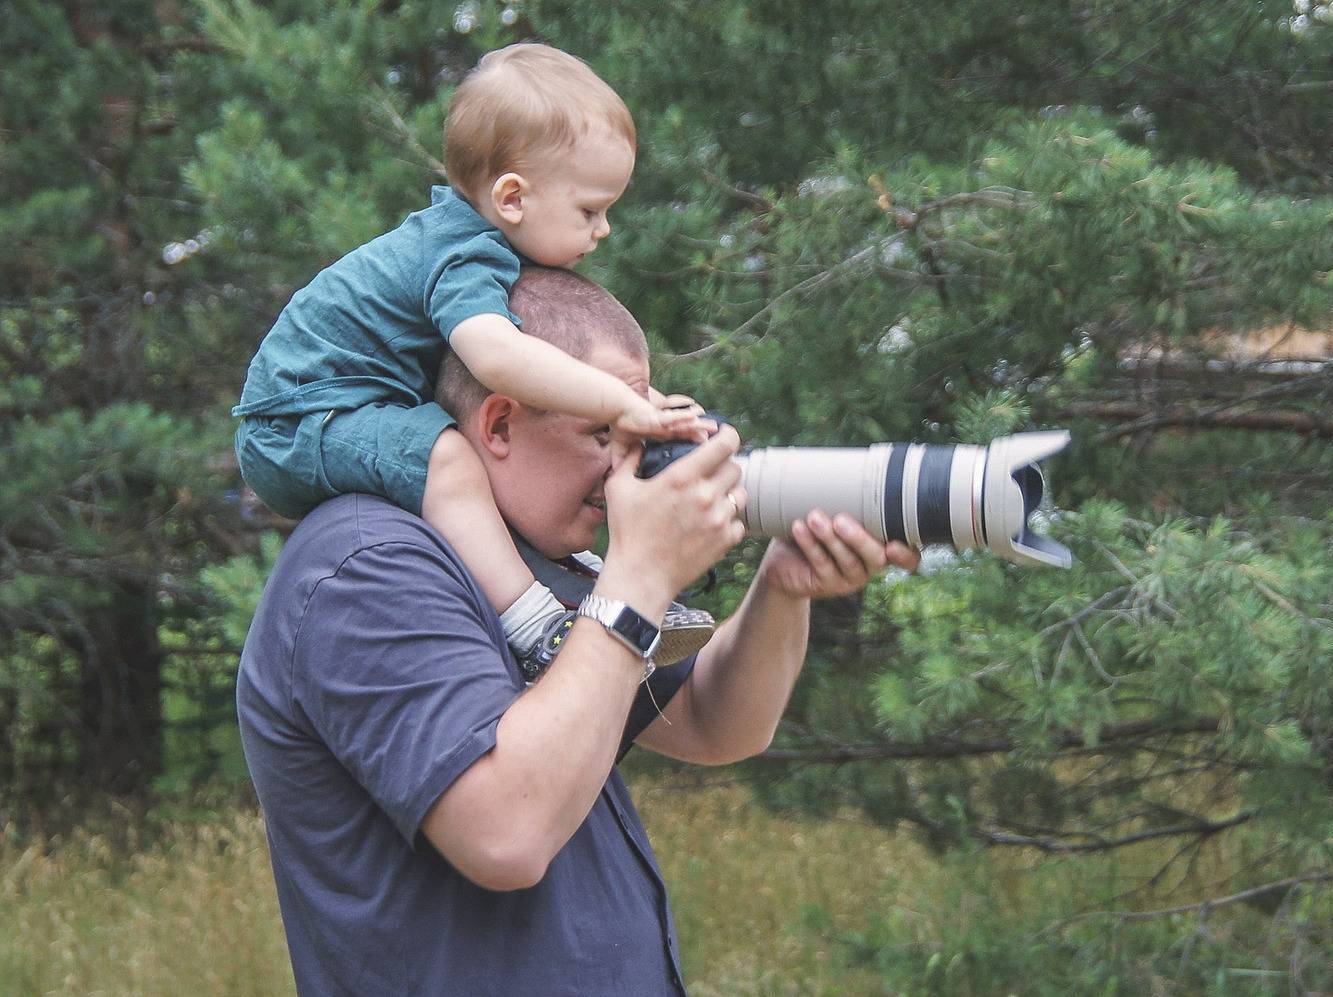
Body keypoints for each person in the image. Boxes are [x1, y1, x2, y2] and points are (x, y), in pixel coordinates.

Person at [237, 268, 919, 995]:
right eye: (604, 432)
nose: (628, 465)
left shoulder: (533, 564)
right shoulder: (369, 567)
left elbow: (713, 722)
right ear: (499, 424)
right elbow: (507, 833)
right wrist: (640, 577)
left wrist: (783, 587)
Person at [231, 43, 708, 676]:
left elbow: (550, 358)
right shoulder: (464, 254)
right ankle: (541, 630)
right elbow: (501, 360)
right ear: (512, 198)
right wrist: (622, 403)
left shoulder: (470, 245)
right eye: (590, 210)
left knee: (483, 477)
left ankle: (589, 588)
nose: (604, 230)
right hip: (296, 424)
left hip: (330, 414)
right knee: (451, 460)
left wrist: (649, 405)